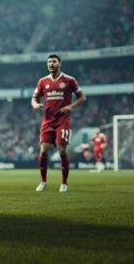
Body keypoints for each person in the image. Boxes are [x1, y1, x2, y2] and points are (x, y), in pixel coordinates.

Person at [31, 54, 87, 193]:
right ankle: (43, 181)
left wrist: (71, 106)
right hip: (47, 121)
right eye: (49, 62)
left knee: (62, 151)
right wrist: (35, 104)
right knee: (43, 151)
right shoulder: (42, 81)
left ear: (59, 64)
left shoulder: (69, 80)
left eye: (54, 61)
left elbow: (82, 97)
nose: (51, 64)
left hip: (63, 121)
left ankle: (64, 183)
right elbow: (34, 98)